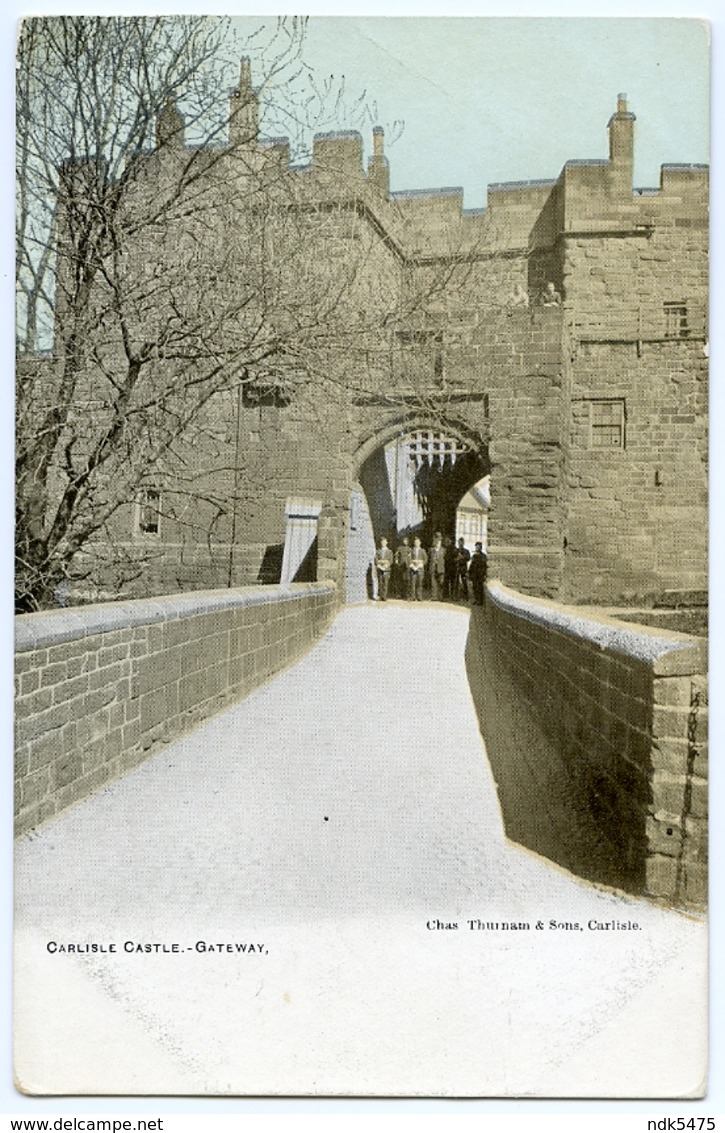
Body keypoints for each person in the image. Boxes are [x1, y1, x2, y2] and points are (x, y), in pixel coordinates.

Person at [374, 536, 394, 601]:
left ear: (387, 542)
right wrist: (379, 565)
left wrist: (386, 566)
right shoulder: (378, 551)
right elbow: (376, 560)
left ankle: (384, 597)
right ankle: (380, 596)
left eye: (384, 542)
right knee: (380, 583)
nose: (383, 543)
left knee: (385, 583)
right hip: (380, 569)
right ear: (381, 543)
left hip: (386, 569)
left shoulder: (389, 551)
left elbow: (391, 560)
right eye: (382, 542)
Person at [468, 542, 488, 606]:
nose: (477, 548)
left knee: (480, 588)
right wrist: (469, 572)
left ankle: (480, 601)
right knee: (475, 587)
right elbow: (471, 565)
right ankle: (476, 600)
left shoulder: (483, 556)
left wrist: (484, 574)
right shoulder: (474, 556)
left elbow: (485, 566)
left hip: (480, 574)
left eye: (478, 546)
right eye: (476, 546)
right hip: (474, 574)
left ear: (481, 547)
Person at [409, 537, 428, 601]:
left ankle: (419, 596)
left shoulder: (423, 551)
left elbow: (425, 560)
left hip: (420, 569)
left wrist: (420, 564)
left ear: (420, 543)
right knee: (413, 583)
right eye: (415, 542)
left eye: (418, 542)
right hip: (413, 569)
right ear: (414, 543)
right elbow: (409, 559)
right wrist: (412, 565)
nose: (416, 543)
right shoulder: (411, 550)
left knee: (419, 583)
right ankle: (413, 597)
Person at [429, 532, 446, 601]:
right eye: (436, 541)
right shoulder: (431, 550)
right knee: (433, 583)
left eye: (439, 542)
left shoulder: (444, 550)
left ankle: (441, 597)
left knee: (441, 583)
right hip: (433, 567)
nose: (437, 543)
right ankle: (434, 597)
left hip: (441, 568)